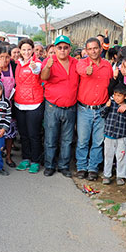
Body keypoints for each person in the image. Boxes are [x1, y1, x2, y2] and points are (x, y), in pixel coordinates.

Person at [40, 35, 79, 177]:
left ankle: (63, 166)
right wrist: (48, 67)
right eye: (59, 47)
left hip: (70, 108)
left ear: (69, 49)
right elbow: (44, 77)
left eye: (65, 47)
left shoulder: (76, 62)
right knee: (51, 138)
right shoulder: (49, 61)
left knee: (67, 140)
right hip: (53, 107)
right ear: (55, 49)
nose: (62, 50)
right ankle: (49, 165)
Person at [75, 37, 113, 181]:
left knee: (98, 141)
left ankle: (93, 168)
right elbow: (81, 70)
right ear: (86, 50)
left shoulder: (107, 66)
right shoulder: (82, 63)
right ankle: (81, 167)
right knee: (83, 140)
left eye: (95, 48)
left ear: (101, 48)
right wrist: (87, 70)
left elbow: (111, 84)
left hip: (102, 108)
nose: (93, 51)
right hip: (84, 109)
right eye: (90, 49)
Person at [13, 38, 44, 174]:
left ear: (33, 50)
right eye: (23, 50)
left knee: (34, 134)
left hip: (34, 104)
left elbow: (37, 71)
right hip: (19, 103)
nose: (26, 52)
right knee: (24, 134)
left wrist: (34, 67)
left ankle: (35, 160)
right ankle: (25, 158)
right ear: (20, 51)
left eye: (29, 49)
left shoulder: (36, 63)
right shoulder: (17, 63)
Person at [101, 83, 126, 186]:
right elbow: (102, 114)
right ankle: (106, 175)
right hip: (109, 135)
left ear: (125, 96)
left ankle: (121, 176)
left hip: (121, 137)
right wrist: (106, 106)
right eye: (115, 95)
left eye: (119, 95)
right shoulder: (111, 104)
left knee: (121, 157)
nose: (116, 97)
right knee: (108, 156)